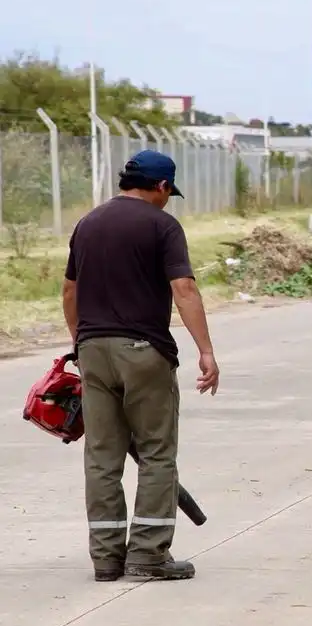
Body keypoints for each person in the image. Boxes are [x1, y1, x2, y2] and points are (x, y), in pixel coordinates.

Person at [62, 150, 219, 582]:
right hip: (143, 350)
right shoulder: (162, 225)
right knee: (156, 454)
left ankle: (107, 559)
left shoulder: (88, 223)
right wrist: (205, 350)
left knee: (102, 457)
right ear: (163, 187)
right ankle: (148, 555)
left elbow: (69, 291)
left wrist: (80, 342)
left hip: (92, 349)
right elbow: (184, 288)